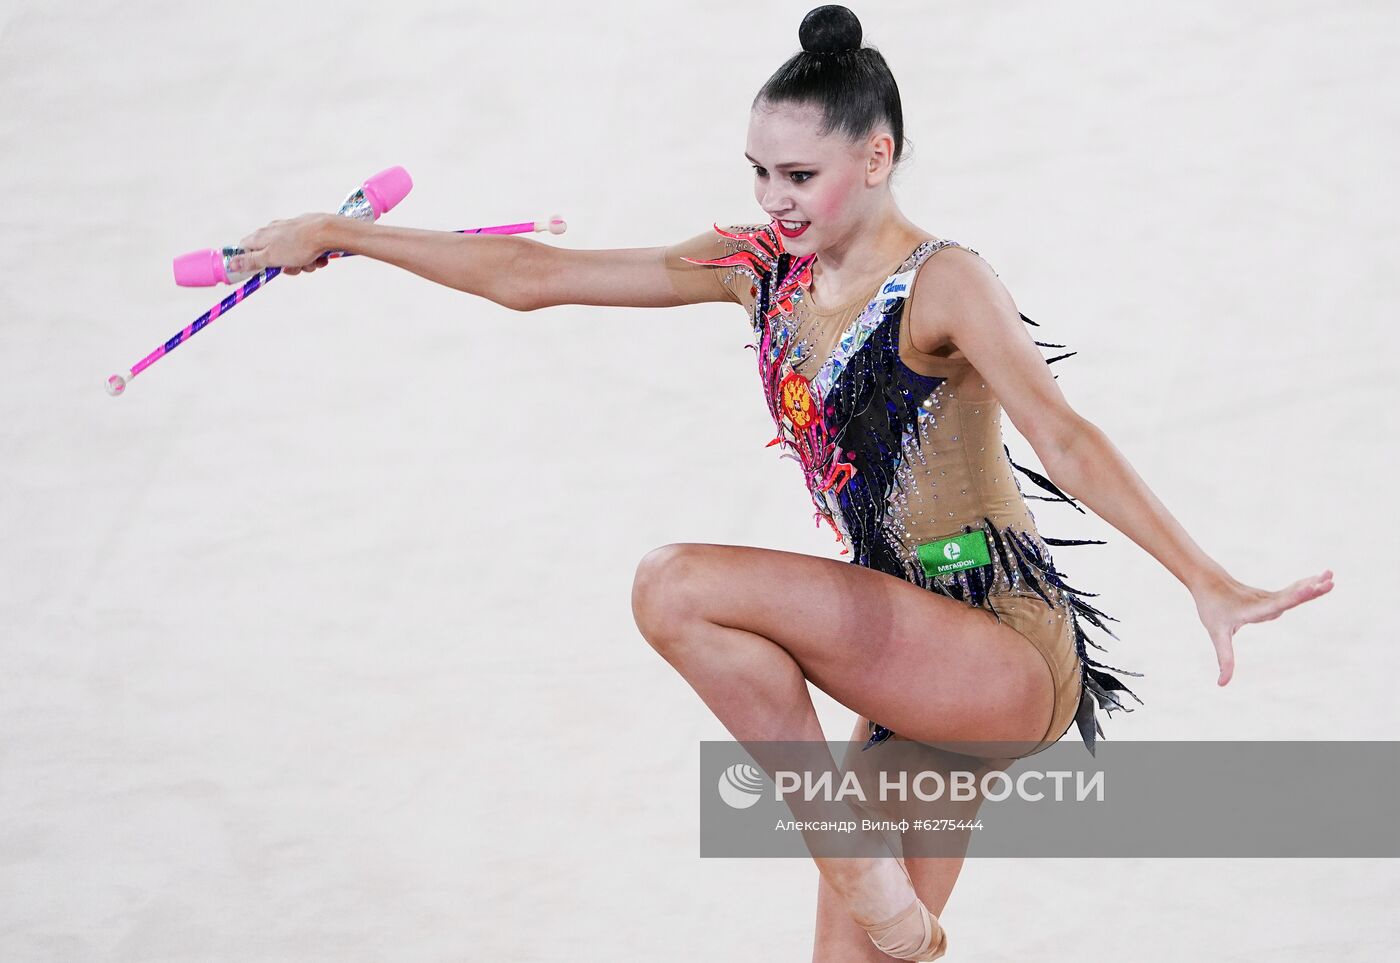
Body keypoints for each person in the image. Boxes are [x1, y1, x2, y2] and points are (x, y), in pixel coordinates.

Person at [228, 5, 1334, 958]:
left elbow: (1064, 434)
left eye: (798, 175)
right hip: (909, 653)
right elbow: (534, 276)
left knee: (675, 586)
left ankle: (841, 844)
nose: (774, 200)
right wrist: (343, 237)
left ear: (877, 157)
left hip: (996, 646)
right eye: (758, 172)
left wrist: (1205, 577)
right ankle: (857, 862)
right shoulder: (758, 264)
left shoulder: (941, 283)